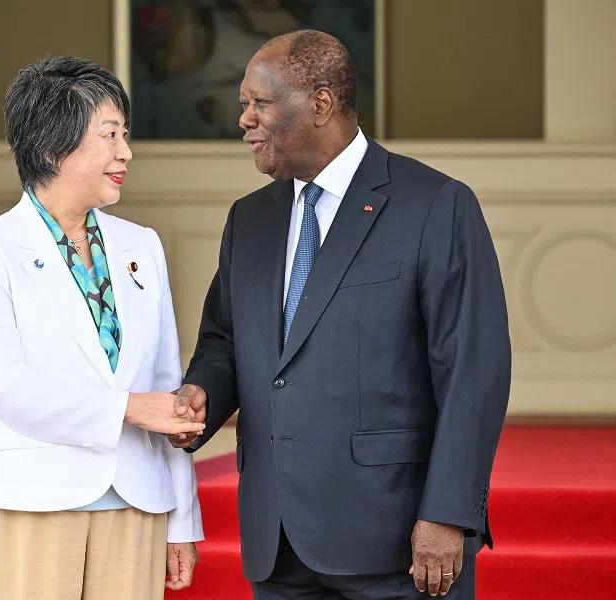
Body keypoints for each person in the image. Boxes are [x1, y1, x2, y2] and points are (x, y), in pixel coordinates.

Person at [170, 30, 511, 599]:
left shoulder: (437, 205)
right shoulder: (248, 219)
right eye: (242, 106)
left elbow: (473, 371)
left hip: (396, 541)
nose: (244, 120)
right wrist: (202, 391)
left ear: (321, 104)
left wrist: (449, 514)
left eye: (259, 103)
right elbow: (225, 340)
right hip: (277, 543)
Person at [0, 56, 204, 600]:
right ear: (51, 148)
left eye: (125, 135)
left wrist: (181, 518)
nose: (125, 153)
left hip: (136, 502)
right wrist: (129, 408)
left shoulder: (142, 246)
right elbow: (4, 387)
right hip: (32, 501)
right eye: (109, 135)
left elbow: (165, 386)